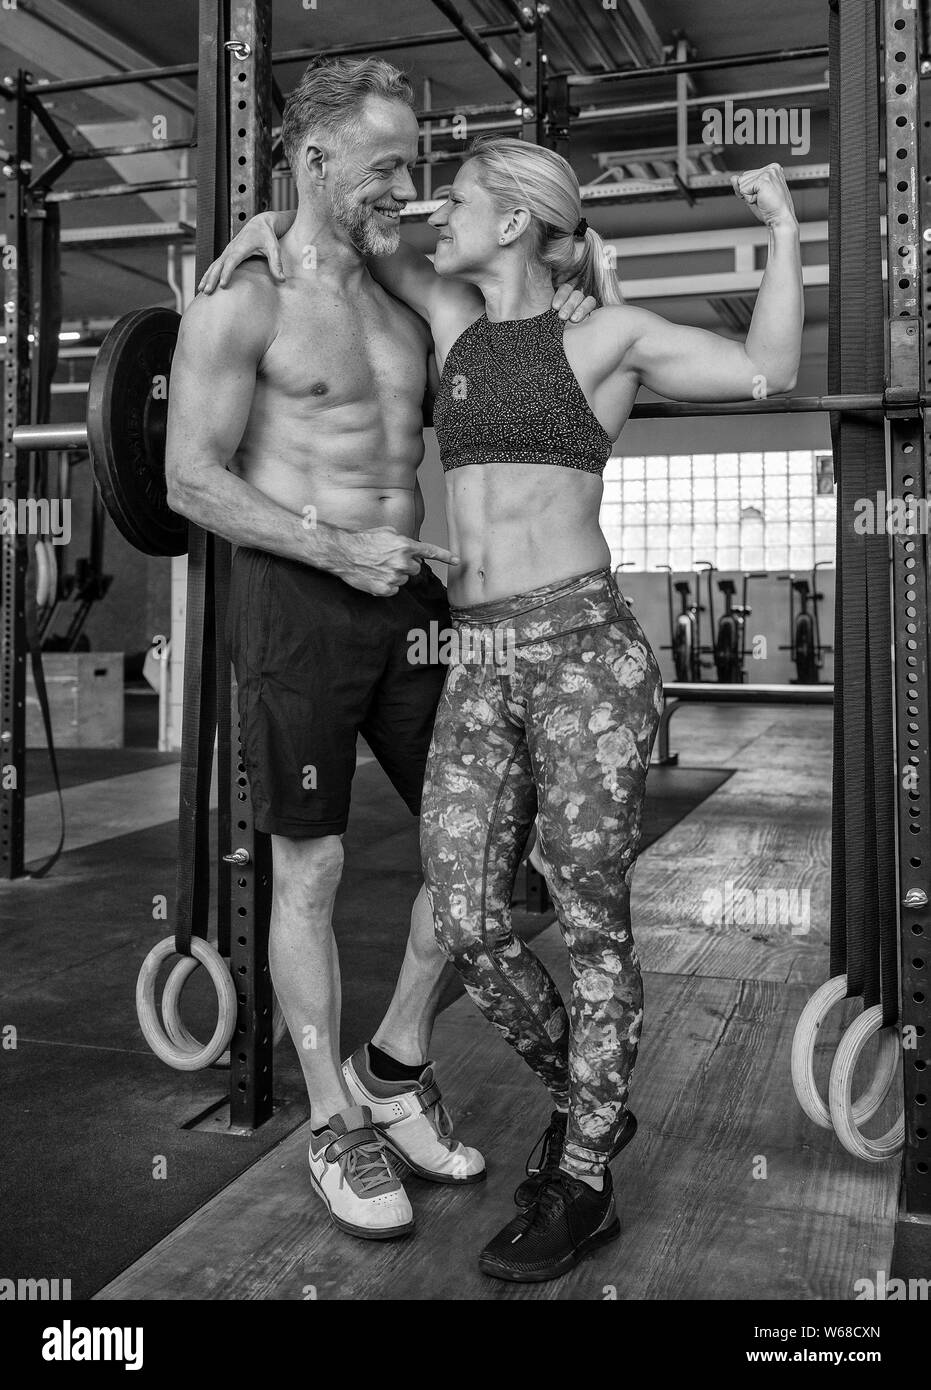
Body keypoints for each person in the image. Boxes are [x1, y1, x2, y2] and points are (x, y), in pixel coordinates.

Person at [204, 136, 802, 1281]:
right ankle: (592, 1090)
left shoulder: (607, 338)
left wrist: (777, 225)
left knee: (589, 921)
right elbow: (349, 223)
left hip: (584, 657)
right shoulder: (447, 320)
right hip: (478, 659)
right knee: (472, 915)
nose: (435, 216)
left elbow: (768, 368)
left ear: (516, 222)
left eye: (460, 200)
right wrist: (264, 232)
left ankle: (581, 1176)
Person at [167, 56, 594, 1244]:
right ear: (314, 160)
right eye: (386, 163)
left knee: (492, 858)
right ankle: (329, 1120)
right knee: (311, 870)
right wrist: (331, 542)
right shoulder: (241, 299)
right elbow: (186, 478)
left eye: (413, 164)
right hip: (299, 608)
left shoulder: (402, 274)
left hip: (409, 607)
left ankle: (395, 1064)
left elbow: (530, 246)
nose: (406, 187)